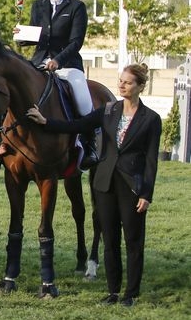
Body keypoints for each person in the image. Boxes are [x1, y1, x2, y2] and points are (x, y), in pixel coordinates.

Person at [26, 64, 160, 307]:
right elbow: (77, 125)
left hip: (132, 186)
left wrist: (146, 193)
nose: (122, 85)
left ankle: (131, 293)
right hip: (104, 183)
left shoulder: (151, 119)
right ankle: (113, 291)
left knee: (133, 241)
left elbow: (151, 161)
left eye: (128, 82)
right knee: (110, 239)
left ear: (140, 86)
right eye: (121, 81)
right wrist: (46, 122)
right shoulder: (108, 110)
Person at [16, 0, 98, 168]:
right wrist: (21, 36)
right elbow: (37, 36)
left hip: (67, 63)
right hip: (39, 61)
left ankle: (91, 143)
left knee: (82, 96)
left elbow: (75, 42)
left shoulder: (76, 7)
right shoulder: (38, 5)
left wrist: (57, 61)